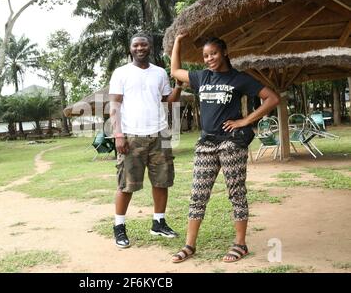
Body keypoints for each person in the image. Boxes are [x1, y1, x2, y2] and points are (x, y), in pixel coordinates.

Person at [168, 33, 280, 263]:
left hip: (231, 143)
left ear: (225, 52)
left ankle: (240, 244)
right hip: (206, 144)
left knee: (236, 193)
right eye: (205, 55)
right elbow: (175, 71)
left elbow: (272, 98)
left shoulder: (239, 79)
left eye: (214, 54)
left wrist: (246, 120)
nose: (209, 59)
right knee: (198, 195)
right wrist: (178, 42)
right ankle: (190, 245)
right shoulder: (202, 78)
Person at [109, 33, 179, 248]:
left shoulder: (159, 73)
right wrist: (118, 135)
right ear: (130, 49)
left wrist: (180, 86)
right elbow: (114, 106)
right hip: (131, 135)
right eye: (136, 45)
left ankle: (158, 222)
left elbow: (168, 100)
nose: (140, 48)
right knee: (127, 184)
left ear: (150, 47)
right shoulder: (121, 73)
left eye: (144, 44)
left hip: (159, 133)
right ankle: (119, 227)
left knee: (162, 180)